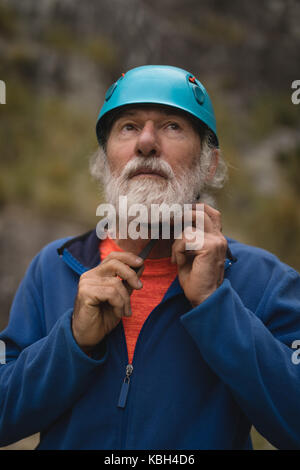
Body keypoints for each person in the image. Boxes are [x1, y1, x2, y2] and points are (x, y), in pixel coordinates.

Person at [0, 65, 300, 450]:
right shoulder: (53, 268)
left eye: (172, 125)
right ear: (102, 160)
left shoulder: (264, 280)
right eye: (127, 126)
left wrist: (215, 306)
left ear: (209, 164)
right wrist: (72, 341)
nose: (146, 142)